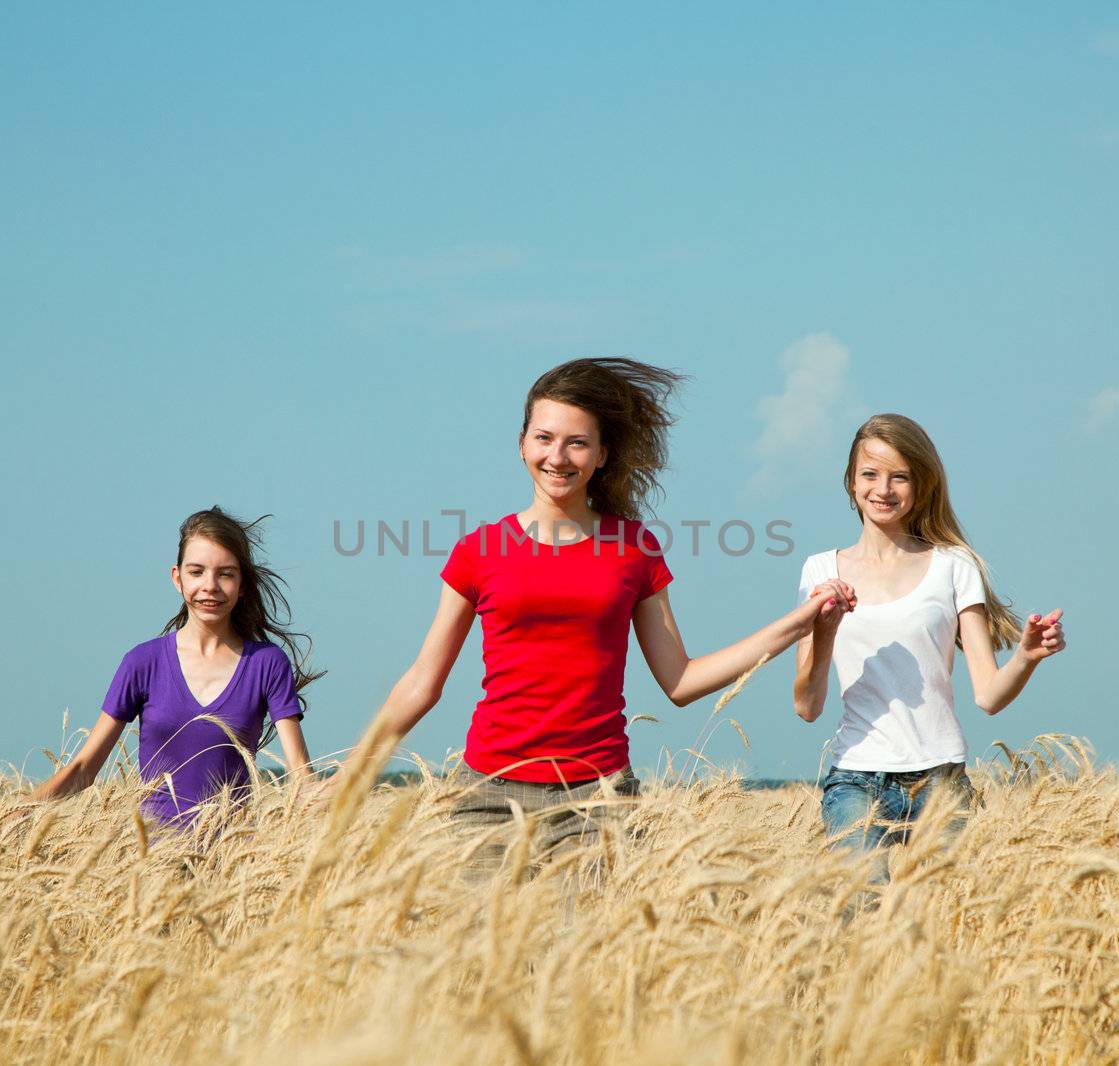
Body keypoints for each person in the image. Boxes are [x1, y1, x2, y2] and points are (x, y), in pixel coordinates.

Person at [333, 357, 839, 876]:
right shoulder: (478, 551)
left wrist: (797, 624)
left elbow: (681, 680)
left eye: (577, 443)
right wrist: (353, 772)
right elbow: (423, 681)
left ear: (601, 455)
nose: (558, 456)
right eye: (544, 438)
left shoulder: (634, 549)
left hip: (597, 801)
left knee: (591, 959)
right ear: (522, 443)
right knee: (481, 959)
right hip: (487, 797)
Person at [793, 413, 1066, 893]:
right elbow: (807, 705)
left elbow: (989, 695)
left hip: (941, 778)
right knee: (860, 915)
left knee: (945, 920)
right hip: (856, 778)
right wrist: (825, 630)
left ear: (922, 485)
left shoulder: (954, 566)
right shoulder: (820, 571)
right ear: (850, 482)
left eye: (900, 476)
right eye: (870, 474)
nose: (884, 488)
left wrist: (1026, 656)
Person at [0, 507, 321, 833]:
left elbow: (300, 778)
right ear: (177, 578)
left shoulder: (267, 664)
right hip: (154, 871)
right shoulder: (142, 663)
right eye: (197, 572)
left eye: (225, 573)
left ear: (243, 585)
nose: (210, 585)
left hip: (231, 869)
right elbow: (84, 769)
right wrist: (11, 819)